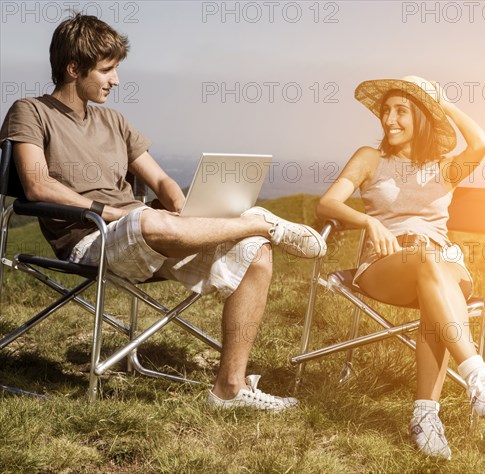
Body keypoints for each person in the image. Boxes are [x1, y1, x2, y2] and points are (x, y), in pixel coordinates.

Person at [0, 13, 327, 411]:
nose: (116, 80)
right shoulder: (30, 111)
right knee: (151, 218)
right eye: (107, 70)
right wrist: (111, 214)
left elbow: (163, 182)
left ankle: (230, 389)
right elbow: (37, 185)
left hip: (147, 235)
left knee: (255, 252)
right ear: (73, 68)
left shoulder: (114, 121)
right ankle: (256, 220)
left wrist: (183, 207)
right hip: (91, 239)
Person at [317, 76, 485, 459]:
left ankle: (426, 417)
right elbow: (327, 204)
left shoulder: (444, 167)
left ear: (422, 118)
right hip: (385, 265)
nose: (388, 119)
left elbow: (482, 143)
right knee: (426, 260)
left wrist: (444, 103)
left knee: (433, 275)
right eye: (385, 111)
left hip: (442, 264)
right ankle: (478, 378)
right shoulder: (369, 158)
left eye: (400, 111)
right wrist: (368, 222)